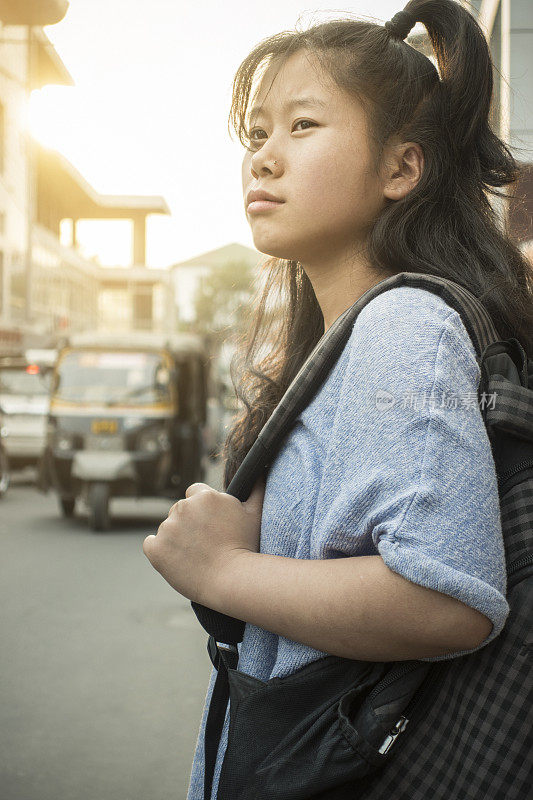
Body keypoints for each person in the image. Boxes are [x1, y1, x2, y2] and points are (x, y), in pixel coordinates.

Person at [142, 2, 533, 798]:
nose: (263, 159)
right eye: (257, 134)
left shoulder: (402, 324)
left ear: (401, 169)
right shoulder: (351, 335)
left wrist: (219, 568)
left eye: (303, 126)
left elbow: (442, 599)